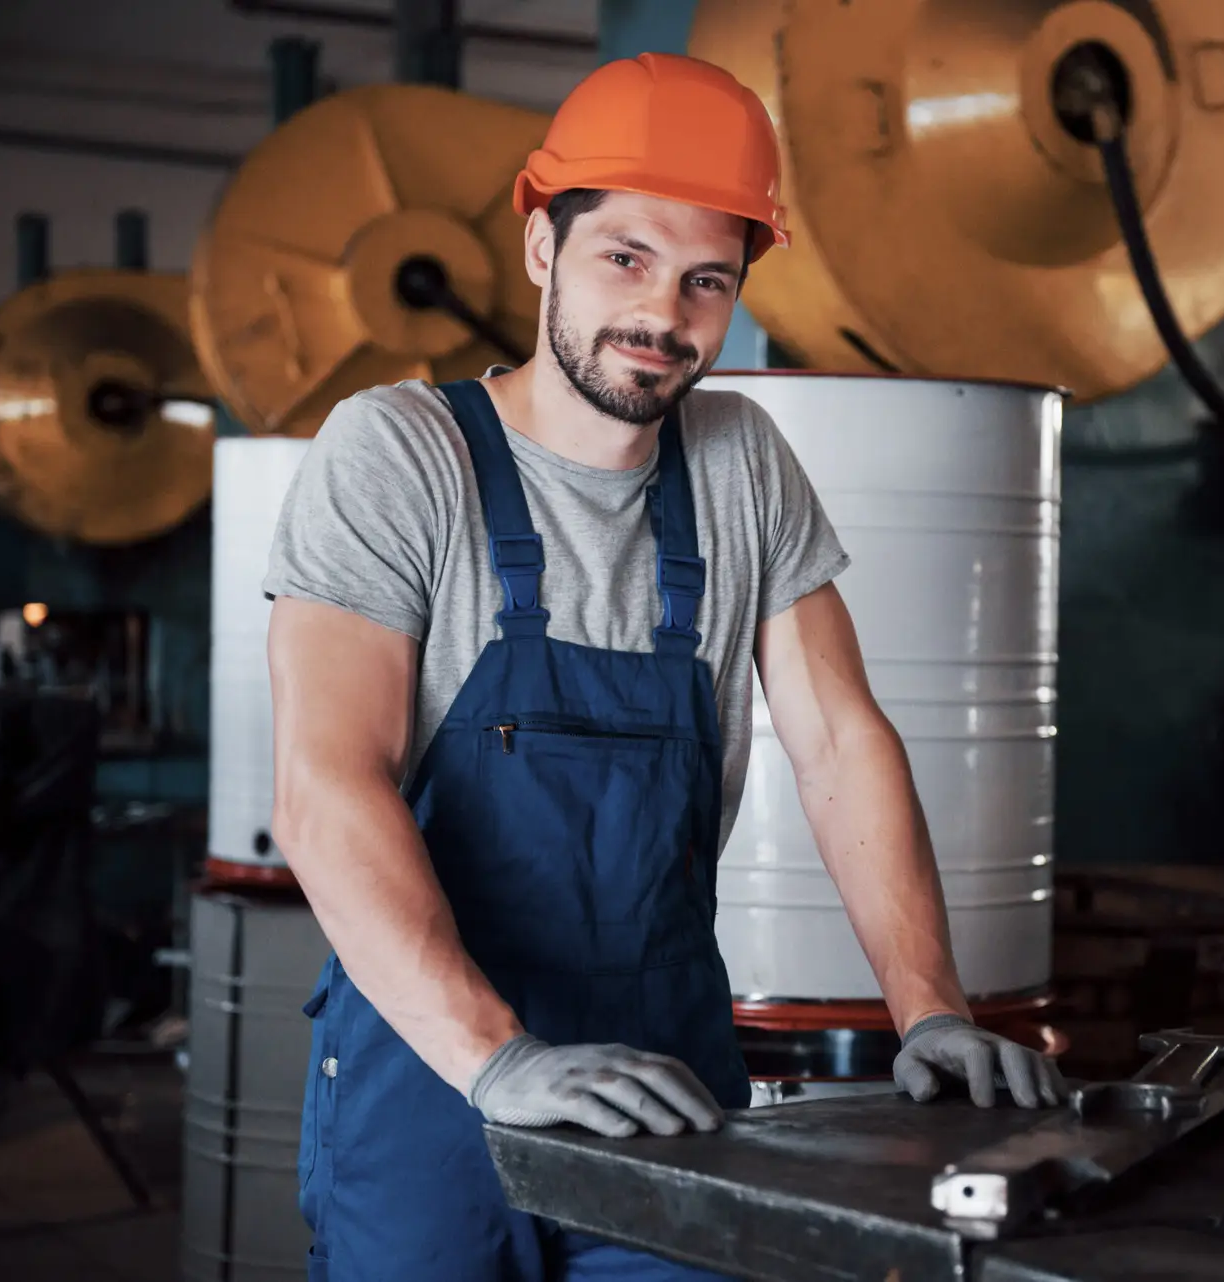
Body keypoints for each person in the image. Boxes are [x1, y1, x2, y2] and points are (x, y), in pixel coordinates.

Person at [264, 51, 1064, 1282]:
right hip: (434, 1073)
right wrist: (498, 1057)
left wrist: (932, 1005)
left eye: (707, 280)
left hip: (667, 1071)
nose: (664, 315)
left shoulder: (739, 461)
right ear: (542, 246)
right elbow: (328, 787)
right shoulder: (399, 453)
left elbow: (841, 742)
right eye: (624, 258)